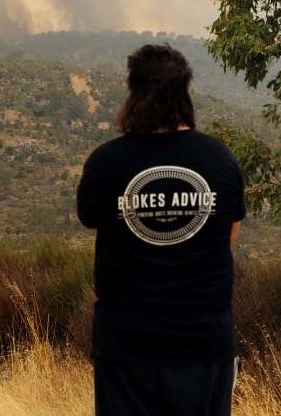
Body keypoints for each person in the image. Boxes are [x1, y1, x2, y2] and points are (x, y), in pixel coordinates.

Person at [76, 44, 245, 416]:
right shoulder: (220, 160)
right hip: (204, 343)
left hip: (126, 348)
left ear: (134, 93)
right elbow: (226, 236)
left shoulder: (106, 163)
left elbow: (91, 219)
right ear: (184, 92)